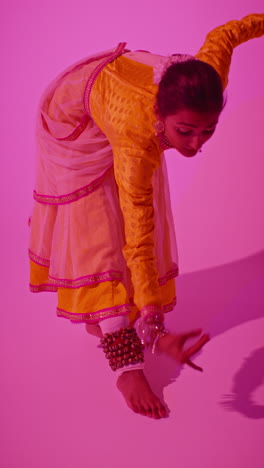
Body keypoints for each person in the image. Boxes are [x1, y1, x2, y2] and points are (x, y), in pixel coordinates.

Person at [29, 14, 264, 419]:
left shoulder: (207, 79)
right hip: (73, 120)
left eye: (207, 131)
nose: (196, 144)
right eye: (185, 131)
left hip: (124, 98)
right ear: (161, 115)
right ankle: (125, 365)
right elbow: (139, 237)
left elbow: (226, 33)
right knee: (101, 230)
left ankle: (105, 319)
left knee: (136, 206)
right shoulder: (136, 138)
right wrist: (153, 324)